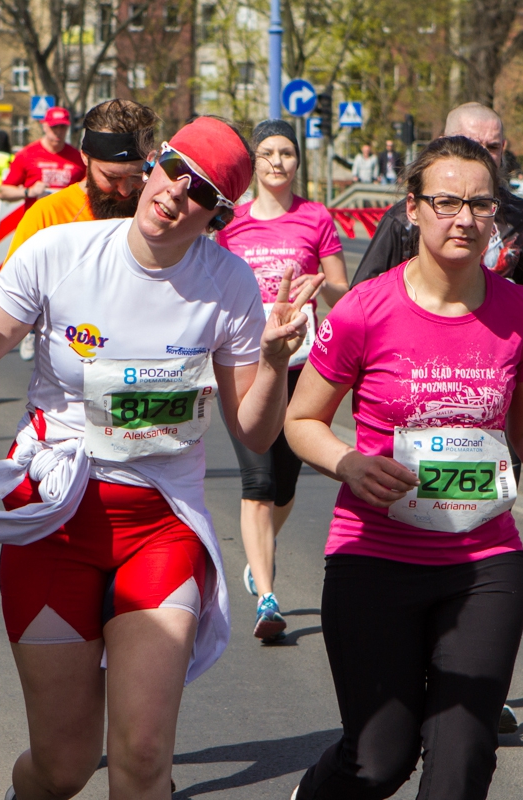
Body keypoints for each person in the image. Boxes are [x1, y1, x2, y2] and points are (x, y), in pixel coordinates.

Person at [0, 115, 319, 800]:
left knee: (141, 758)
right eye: (172, 170)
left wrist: (277, 362)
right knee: (64, 767)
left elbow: (253, 434)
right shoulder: (57, 252)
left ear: (217, 214)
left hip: (158, 528)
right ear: (153, 164)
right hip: (54, 522)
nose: (174, 194)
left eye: (199, 193)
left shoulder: (226, 285)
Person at [284, 135, 523, 800]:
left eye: (480, 204)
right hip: (374, 558)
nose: (465, 219)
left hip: (483, 563)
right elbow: (301, 421)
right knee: (376, 761)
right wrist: (349, 463)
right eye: (448, 201)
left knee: (462, 764)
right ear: (412, 210)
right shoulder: (365, 309)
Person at [216, 118, 348, 642]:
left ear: (298, 162)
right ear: (254, 161)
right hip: (244, 363)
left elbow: (342, 289)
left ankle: (258, 550)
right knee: (259, 482)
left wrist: (325, 290)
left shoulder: (316, 218)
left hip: (302, 363)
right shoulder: (230, 221)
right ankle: (268, 600)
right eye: (267, 152)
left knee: (287, 482)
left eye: (286, 153)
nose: (277, 161)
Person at [4, 99, 158, 363]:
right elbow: (10, 310)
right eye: (110, 177)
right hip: (69, 384)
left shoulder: (160, 210)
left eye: (135, 177)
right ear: (85, 158)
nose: (124, 191)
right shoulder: (47, 215)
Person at [353, 103, 523, 302]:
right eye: (470, 145)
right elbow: (362, 296)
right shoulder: (405, 218)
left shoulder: (521, 216)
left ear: (503, 148)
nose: (482, 156)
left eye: (492, 147)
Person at [0, 107, 85, 207]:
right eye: (54, 127)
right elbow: (3, 192)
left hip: (67, 219)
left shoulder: (78, 157)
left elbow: (89, 189)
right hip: (37, 219)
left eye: (62, 127)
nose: (58, 131)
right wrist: (29, 192)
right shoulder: (26, 154)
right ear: (44, 126)